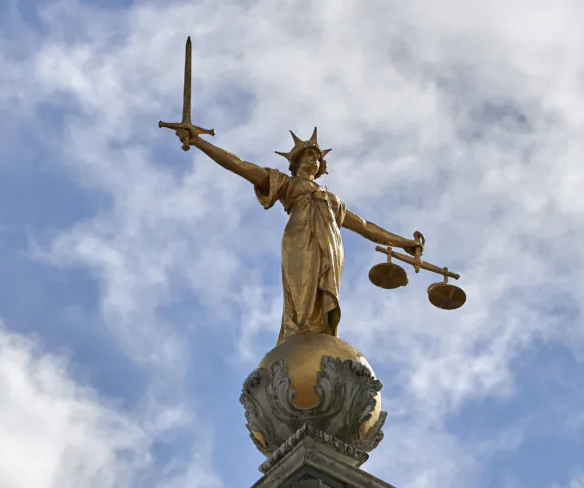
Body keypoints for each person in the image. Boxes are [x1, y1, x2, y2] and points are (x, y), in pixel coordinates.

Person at [172, 126, 422, 344]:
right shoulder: (286, 183)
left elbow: (366, 226)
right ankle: (299, 333)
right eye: (309, 154)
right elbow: (241, 166)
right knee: (301, 289)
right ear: (296, 161)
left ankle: (319, 335)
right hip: (300, 239)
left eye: (317, 156)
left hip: (331, 246)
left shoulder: (332, 200)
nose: (314, 158)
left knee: (322, 295)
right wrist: (199, 141)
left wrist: (404, 243)